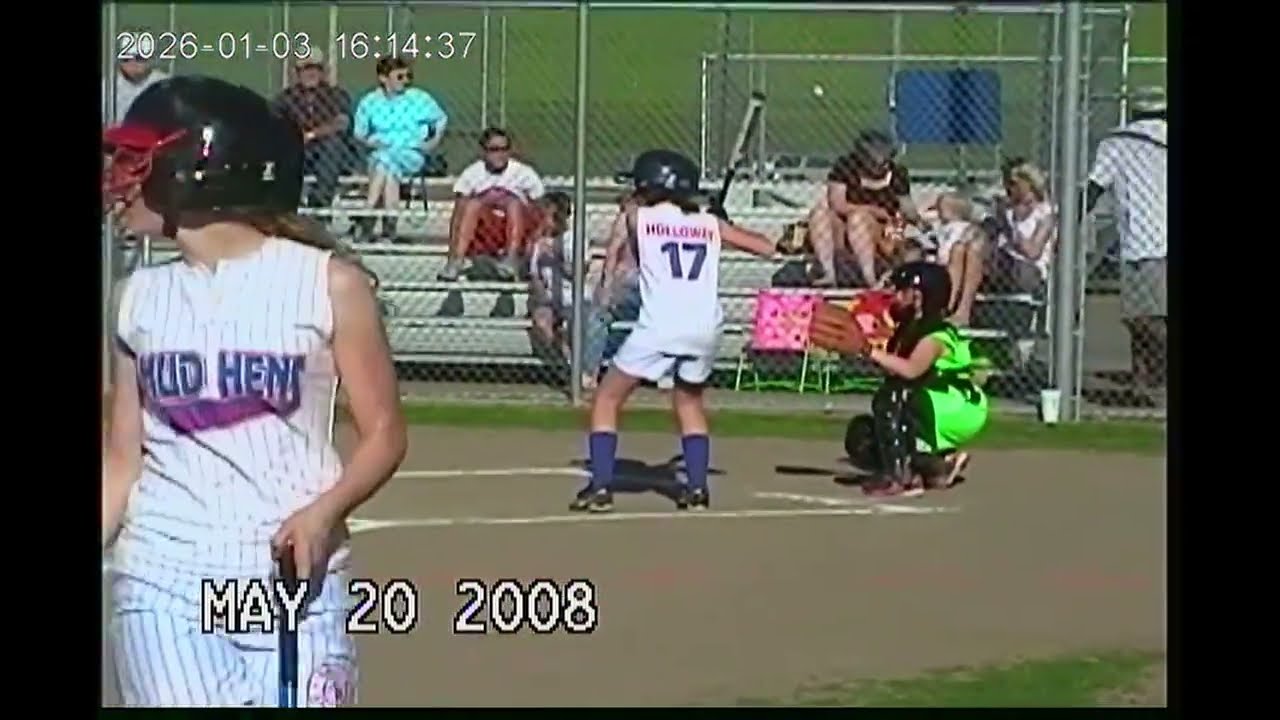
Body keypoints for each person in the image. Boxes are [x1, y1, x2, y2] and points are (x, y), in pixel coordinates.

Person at [101, 76, 407, 707]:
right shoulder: (137, 297)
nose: (121, 177)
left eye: (140, 159)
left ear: (197, 168)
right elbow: (123, 460)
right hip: (165, 571)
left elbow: (385, 434)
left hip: (291, 576)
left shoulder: (329, 283)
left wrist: (325, 513)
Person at [570, 150, 778, 513]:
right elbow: (765, 247)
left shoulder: (639, 217)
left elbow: (635, 212)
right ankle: (697, 488)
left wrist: (701, 216)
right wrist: (714, 221)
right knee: (688, 401)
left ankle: (600, 486)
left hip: (660, 325)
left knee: (607, 398)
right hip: (705, 327)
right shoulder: (710, 225)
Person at [834, 262, 989, 498]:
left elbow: (911, 370)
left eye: (902, 290)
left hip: (956, 404)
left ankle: (901, 478)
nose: (895, 296)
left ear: (918, 297)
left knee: (892, 397)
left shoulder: (936, 333)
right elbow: (893, 372)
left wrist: (868, 351)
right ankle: (938, 467)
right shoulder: (907, 329)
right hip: (931, 399)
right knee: (863, 435)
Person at [1086, 86, 1167, 396]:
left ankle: (1146, 379)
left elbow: (1094, 187)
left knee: (1141, 317)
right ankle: (1142, 382)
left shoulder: (1117, 142)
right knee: (1147, 316)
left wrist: (1070, 218)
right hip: (1153, 240)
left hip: (1144, 242)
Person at [806, 130, 930, 287]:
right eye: (878, 163)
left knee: (858, 218)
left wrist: (918, 221)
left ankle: (869, 278)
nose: (885, 166)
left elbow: (907, 207)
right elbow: (837, 204)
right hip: (844, 227)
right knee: (820, 213)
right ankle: (828, 273)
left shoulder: (897, 173)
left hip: (880, 230)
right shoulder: (846, 167)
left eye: (887, 161)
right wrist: (872, 210)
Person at [352, 57, 449, 241]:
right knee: (388, 170)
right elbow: (359, 133)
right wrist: (370, 143)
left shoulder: (418, 98)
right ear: (383, 78)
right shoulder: (370, 101)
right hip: (381, 152)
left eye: (407, 76)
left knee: (385, 164)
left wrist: (432, 142)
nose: (405, 81)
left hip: (409, 152)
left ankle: (367, 213)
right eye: (399, 76)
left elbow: (441, 118)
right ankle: (390, 229)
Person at [437, 127, 546, 280]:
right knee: (472, 205)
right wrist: (451, 252)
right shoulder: (472, 173)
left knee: (513, 203)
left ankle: (511, 259)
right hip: (486, 230)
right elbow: (458, 215)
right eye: (494, 150)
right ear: (484, 151)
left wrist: (533, 243)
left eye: (504, 149)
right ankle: (457, 261)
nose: (500, 154)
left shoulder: (524, 173)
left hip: (518, 227)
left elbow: (541, 212)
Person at [272, 49, 358, 208]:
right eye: (306, 69)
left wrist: (312, 135)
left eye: (315, 68)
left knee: (333, 145)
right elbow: (274, 124)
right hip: (297, 151)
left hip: (328, 153)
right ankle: (289, 206)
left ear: (322, 71)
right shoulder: (286, 98)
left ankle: (319, 204)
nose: (311, 73)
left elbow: (342, 123)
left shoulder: (335, 95)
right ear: (298, 72)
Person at [103, 44, 169, 125]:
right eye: (126, 59)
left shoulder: (165, 84)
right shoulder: (107, 85)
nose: (132, 63)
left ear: (150, 59)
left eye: (139, 58)